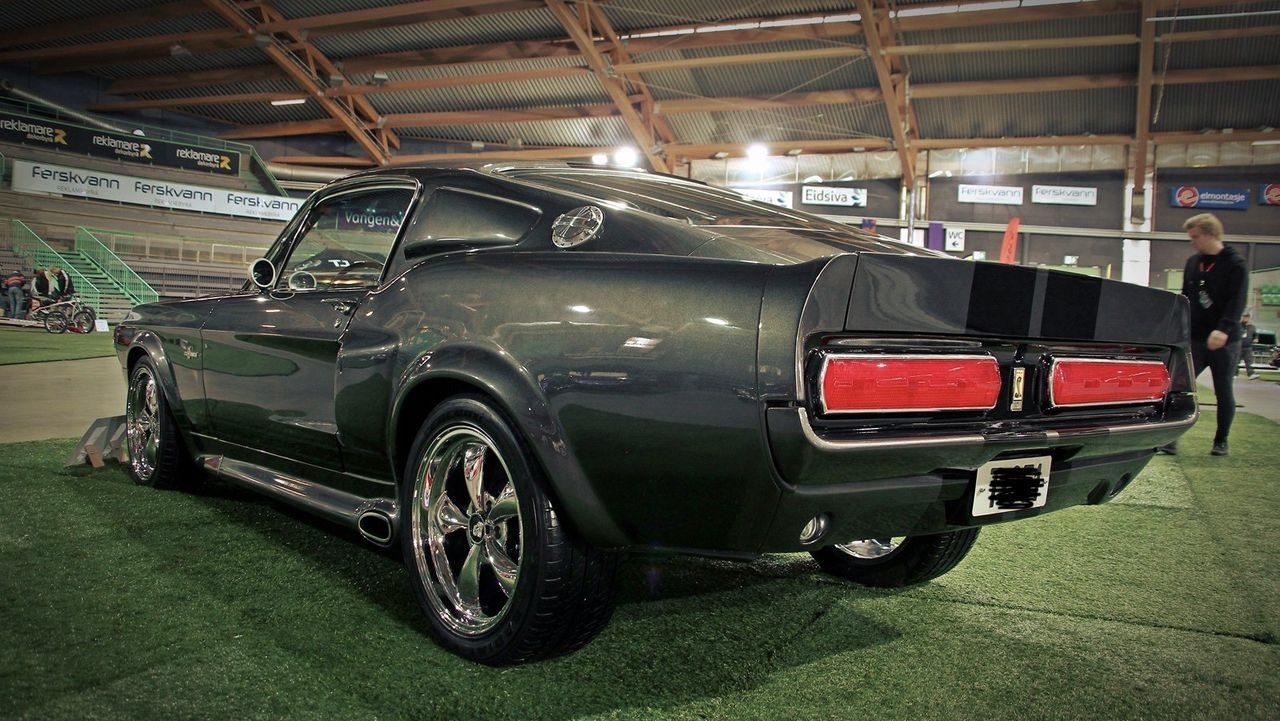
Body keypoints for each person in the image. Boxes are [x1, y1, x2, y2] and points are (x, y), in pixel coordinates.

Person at [1161, 213, 1248, 457]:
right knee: (1178, 387)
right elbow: (1185, 298)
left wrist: (1224, 329)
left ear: (1211, 234)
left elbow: (1237, 301)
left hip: (1225, 340)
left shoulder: (1235, 264)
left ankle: (1221, 441)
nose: (1192, 241)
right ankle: (1170, 439)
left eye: (1195, 237)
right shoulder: (1193, 262)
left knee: (1223, 390)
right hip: (1196, 339)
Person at [1239, 312, 1260, 380]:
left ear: (1248, 318)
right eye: (1244, 317)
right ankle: (1234, 374)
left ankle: (1251, 374)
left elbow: (1255, 335)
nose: (1245, 318)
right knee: (1235, 361)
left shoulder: (1252, 327)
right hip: (1238, 346)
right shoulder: (1238, 326)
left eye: (1247, 317)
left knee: (1249, 361)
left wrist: (1256, 339)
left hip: (1248, 347)